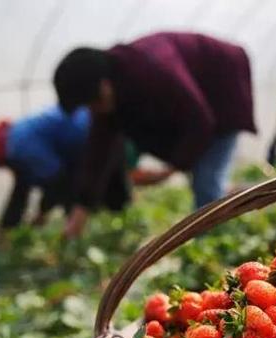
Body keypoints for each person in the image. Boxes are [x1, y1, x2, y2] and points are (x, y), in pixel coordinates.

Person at [53, 32, 256, 238]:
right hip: (197, 106)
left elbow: (199, 120)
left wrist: (173, 167)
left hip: (223, 88)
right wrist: (78, 215)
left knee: (205, 182)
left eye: (91, 103)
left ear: (103, 84)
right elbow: (98, 153)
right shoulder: (111, 93)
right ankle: (242, 197)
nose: (92, 109)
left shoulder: (154, 67)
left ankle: (214, 244)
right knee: (207, 180)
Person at [0, 106, 130, 233]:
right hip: (91, 141)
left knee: (110, 202)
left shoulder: (19, 147)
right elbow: (20, 193)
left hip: (97, 138)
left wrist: (43, 213)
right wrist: (6, 229)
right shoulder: (16, 144)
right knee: (104, 204)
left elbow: (58, 179)